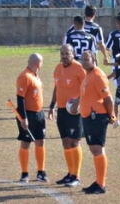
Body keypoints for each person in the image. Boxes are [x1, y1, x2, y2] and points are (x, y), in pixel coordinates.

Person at [75, 50, 116, 194]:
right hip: (88, 117)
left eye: (87, 60)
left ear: (94, 60)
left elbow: (108, 99)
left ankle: (101, 184)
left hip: (97, 117)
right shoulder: (88, 76)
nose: (83, 62)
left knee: (98, 149)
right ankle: (98, 181)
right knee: (94, 149)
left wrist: (112, 116)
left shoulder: (98, 75)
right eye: (82, 59)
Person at [47, 45, 86, 187]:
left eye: (67, 53)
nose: (64, 56)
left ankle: (77, 176)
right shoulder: (58, 68)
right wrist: (52, 106)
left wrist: (78, 101)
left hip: (75, 112)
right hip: (62, 110)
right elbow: (57, 87)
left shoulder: (79, 68)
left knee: (74, 142)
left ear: (73, 54)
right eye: (62, 53)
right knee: (65, 142)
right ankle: (70, 174)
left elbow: (87, 87)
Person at [15, 53, 48, 183]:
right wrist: (23, 118)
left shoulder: (35, 76)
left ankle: (41, 172)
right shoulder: (25, 76)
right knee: (25, 143)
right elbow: (20, 98)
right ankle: (24, 173)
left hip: (39, 114)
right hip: (28, 115)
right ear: (39, 64)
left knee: (40, 141)